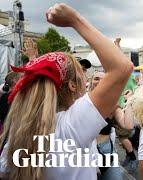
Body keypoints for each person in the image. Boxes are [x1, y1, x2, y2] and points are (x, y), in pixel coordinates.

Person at [0, 3, 133, 180]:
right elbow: (122, 67)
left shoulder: (20, 134)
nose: (86, 78)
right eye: (82, 73)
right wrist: (74, 19)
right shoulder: (71, 125)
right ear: (72, 85)